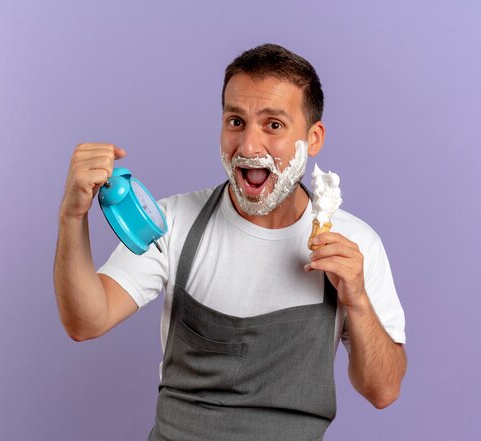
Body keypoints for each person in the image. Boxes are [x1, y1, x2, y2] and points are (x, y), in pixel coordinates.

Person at [54, 43, 406, 440]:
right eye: (236, 121)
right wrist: (72, 217)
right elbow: (86, 321)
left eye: (273, 125)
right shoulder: (173, 222)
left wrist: (356, 299)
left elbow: (383, 390)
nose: (249, 146)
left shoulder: (355, 244)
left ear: (313, 138)